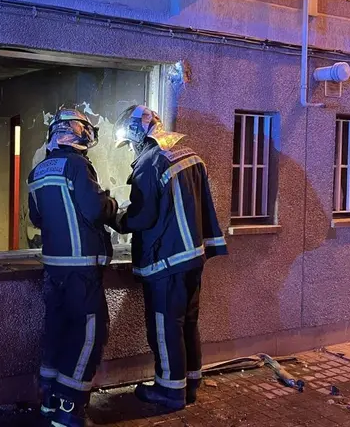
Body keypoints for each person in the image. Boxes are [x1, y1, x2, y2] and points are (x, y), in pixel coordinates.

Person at [110, 105, 227, 410]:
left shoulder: (149, 163)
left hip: (167, 261)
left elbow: (143, 216)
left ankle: (169, 392)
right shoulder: (189, 155)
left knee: (165, 326)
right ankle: (189, 384)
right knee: (187, 322)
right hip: (193, 258)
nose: (131, 147)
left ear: (138, 132)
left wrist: (116, 218)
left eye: (130, 140)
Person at [28, 108, 117, 427]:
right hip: (81, 270)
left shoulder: (37, 171)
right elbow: (95, 210)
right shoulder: (79, 166)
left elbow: (37, 218)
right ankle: (70, 407)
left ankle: (50, 401)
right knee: (89, 334)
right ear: (80, 134)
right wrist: (112, 203)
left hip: (54, 269)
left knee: (58, 330)